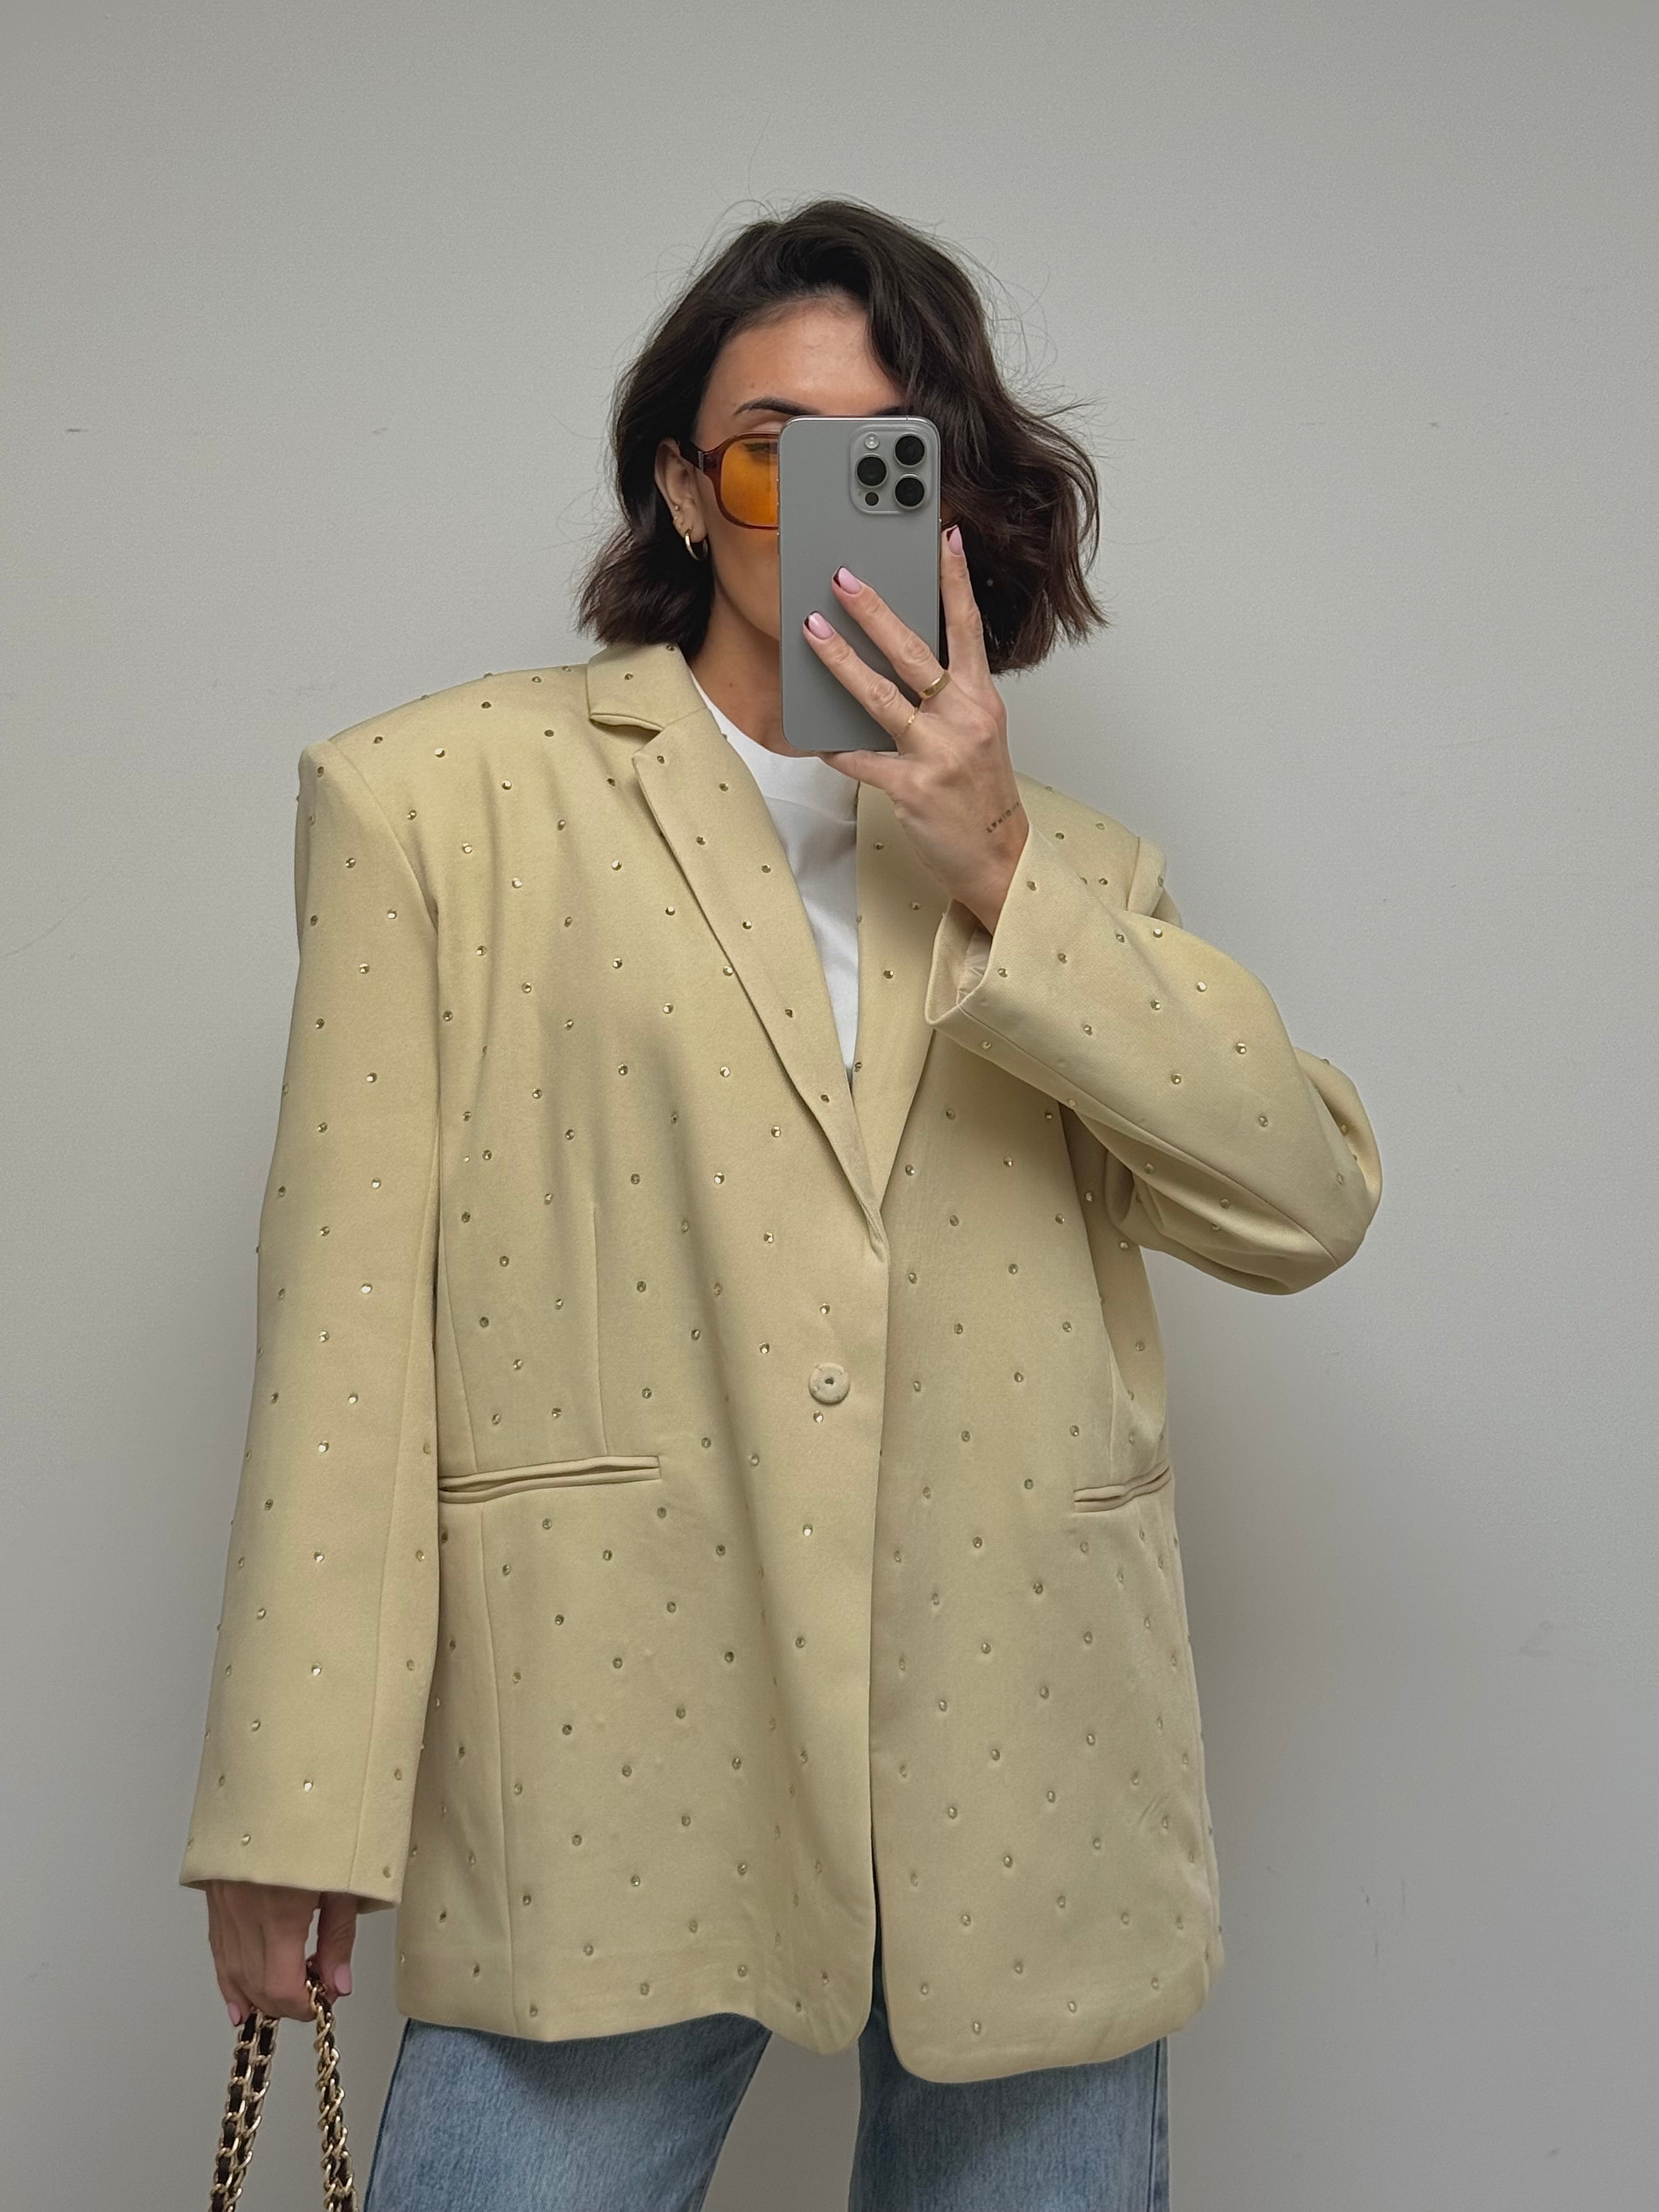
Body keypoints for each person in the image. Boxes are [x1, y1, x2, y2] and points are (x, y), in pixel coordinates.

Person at [179, 196, 1382, 2211]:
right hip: (611, 1744)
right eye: (766, 450)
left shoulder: (1074, 866)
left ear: (951, 495)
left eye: (879, 454)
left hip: (1027, 1761)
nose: (815, 498)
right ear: (681, 481)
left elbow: (1305, 1202)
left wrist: (1002, 872)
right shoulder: (442, 802)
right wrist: (291, 1805)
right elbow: (347, 1336)